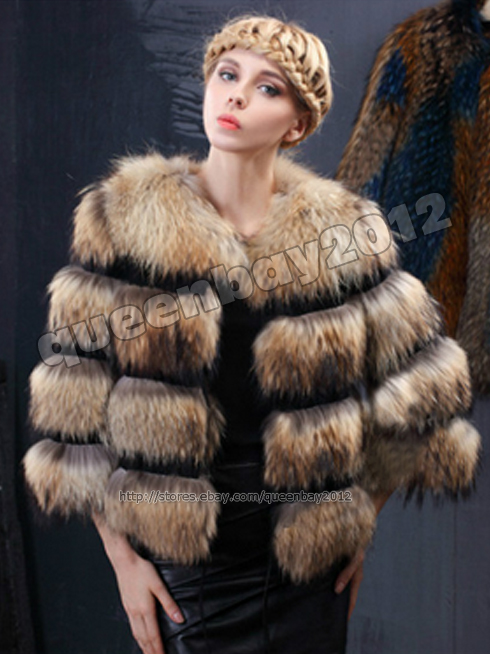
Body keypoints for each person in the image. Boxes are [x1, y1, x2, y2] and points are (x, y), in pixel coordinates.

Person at [22, 13, 481, 654]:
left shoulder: (344, 236)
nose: (236, 95)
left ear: (297, 124)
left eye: (268, 87)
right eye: (227, 74)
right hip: (186, 560)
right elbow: (71, 411)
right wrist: (124, 561)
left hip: (306, 564)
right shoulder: (122, 219)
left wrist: (358, 522)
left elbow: (429, 393)